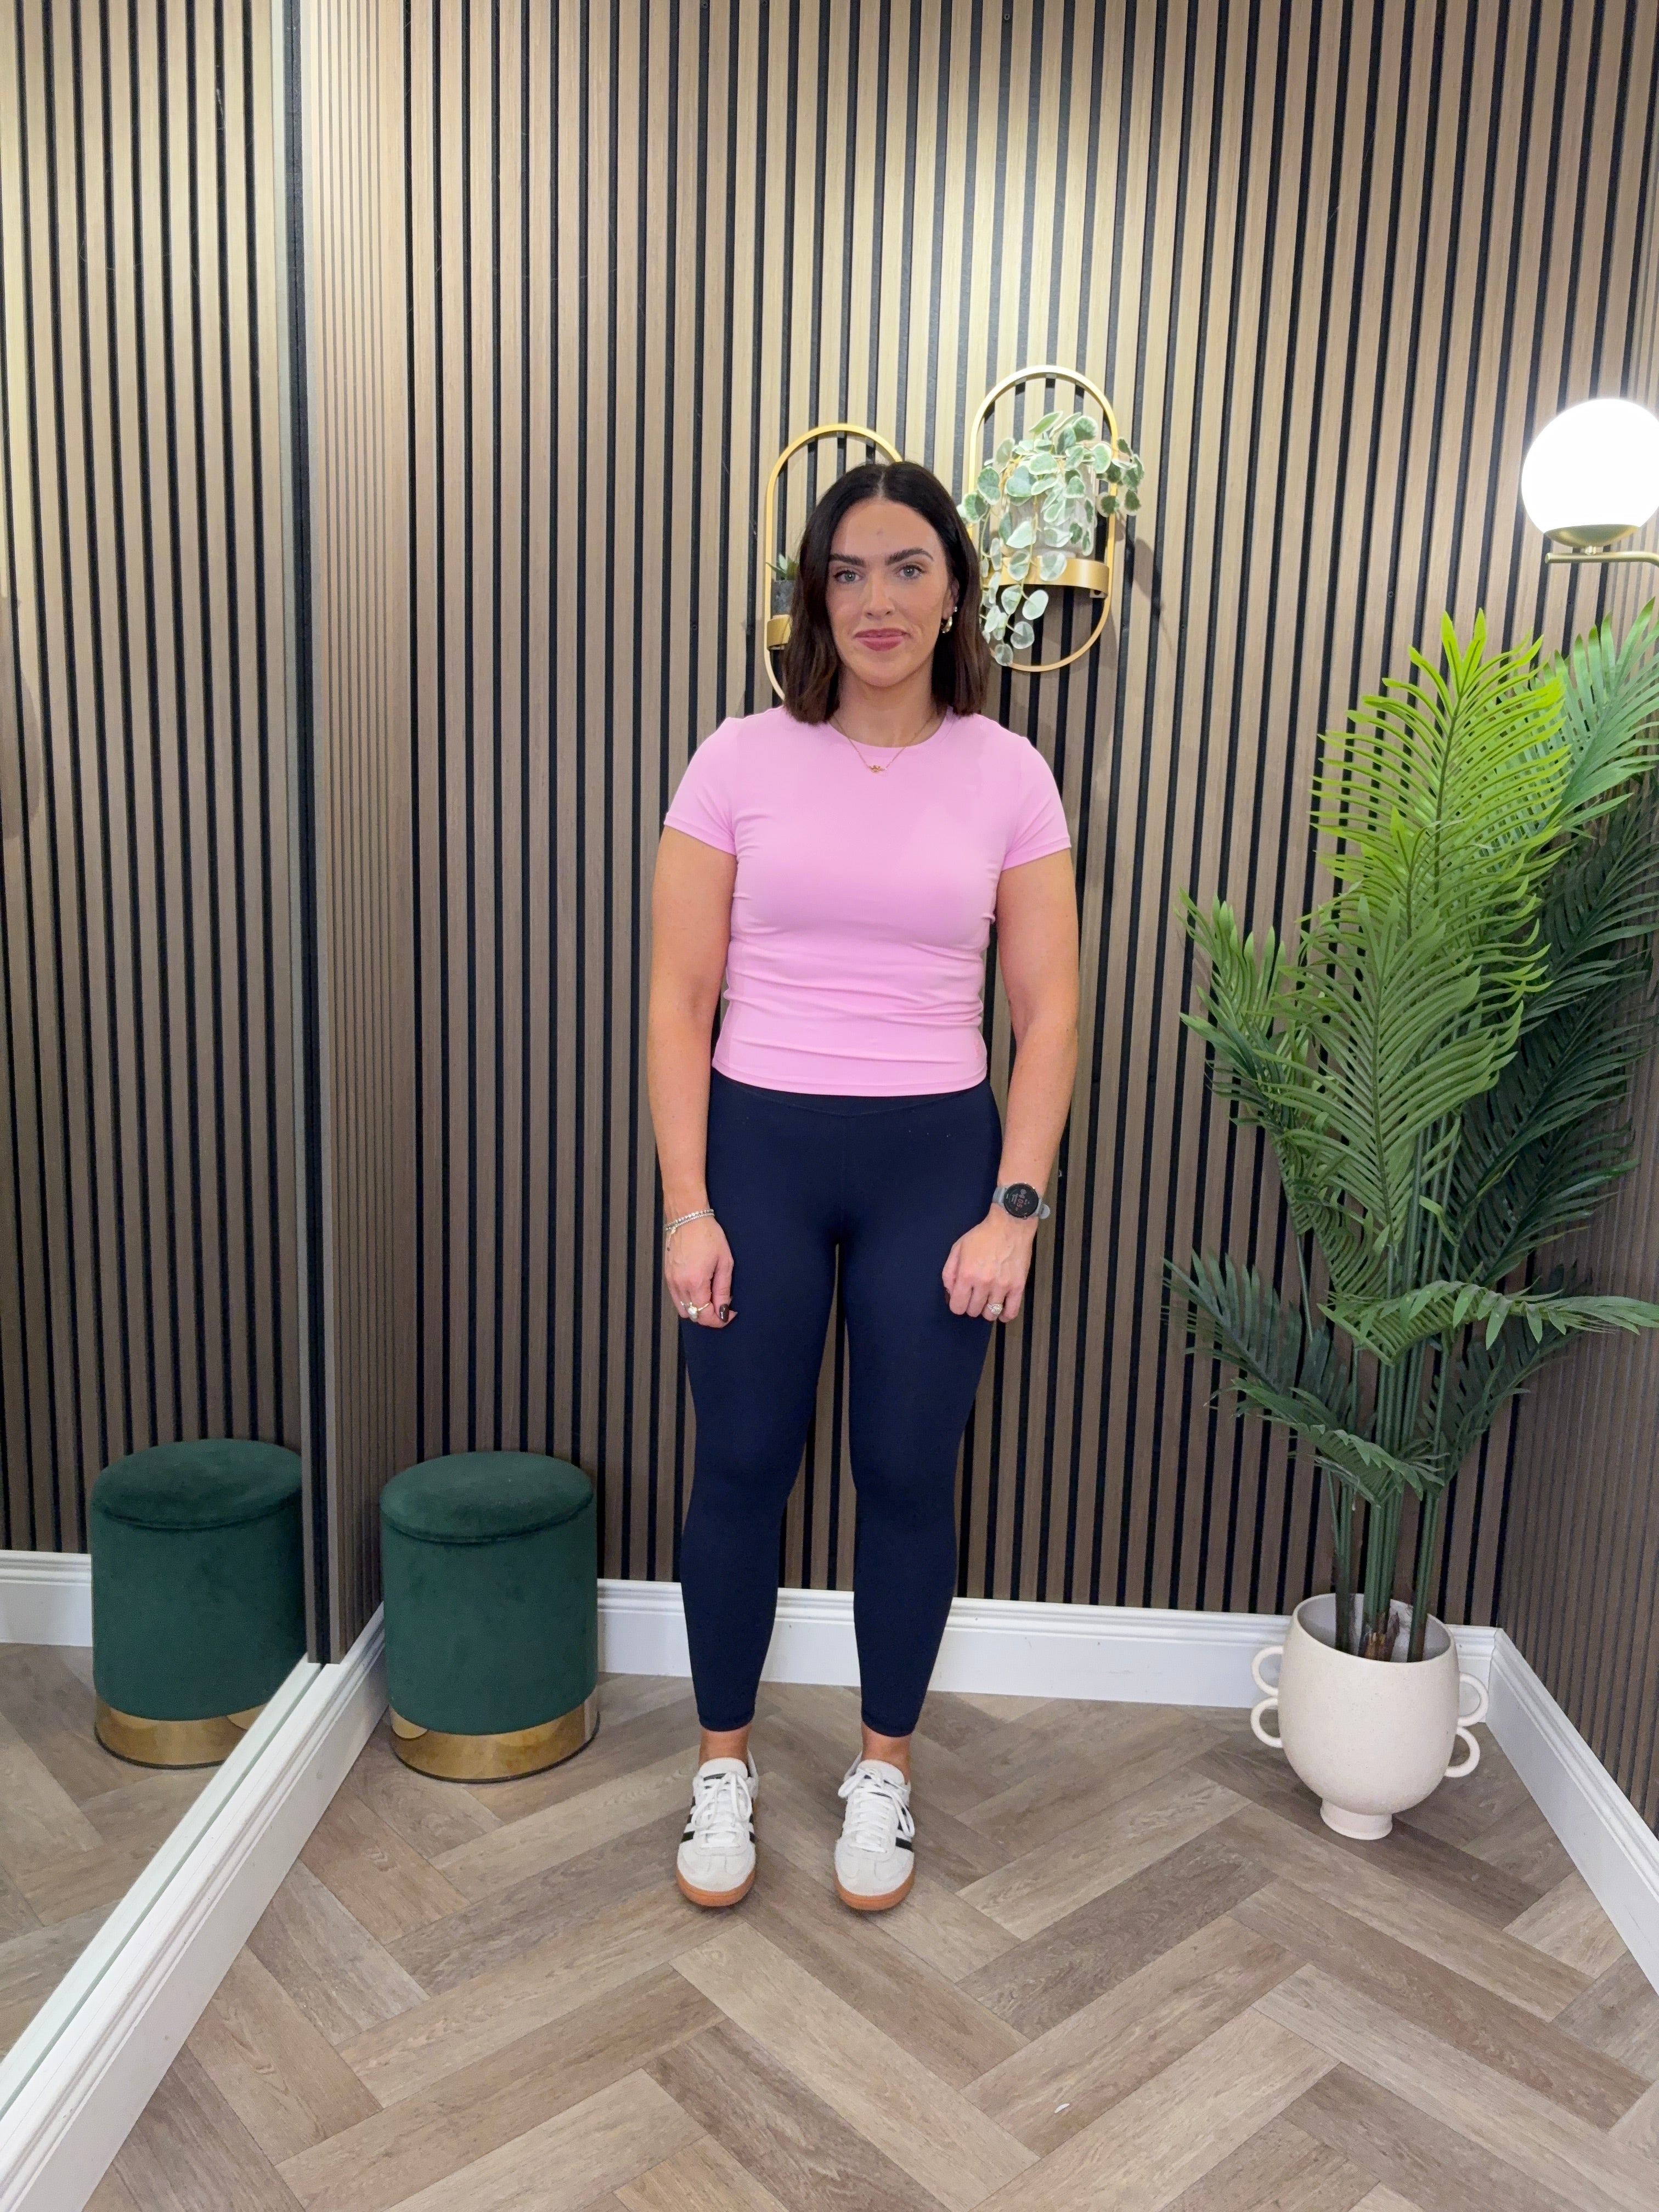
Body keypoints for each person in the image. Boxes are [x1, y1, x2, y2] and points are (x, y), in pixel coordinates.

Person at [646, 459, 1079, 1912]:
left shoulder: (1009, 775)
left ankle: (883, 1771)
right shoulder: (737, 761)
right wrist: (689, 1202)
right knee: (741, 1467)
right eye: (847, 572)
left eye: (907, 568)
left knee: (904, 1474)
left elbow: (1050, 1014)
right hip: (758, 1152)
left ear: (955, 592)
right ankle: (723, 1767)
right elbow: (677, 996)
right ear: (813, 597)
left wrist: (1015, 1208)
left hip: (935, 1163)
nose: (877, 600)